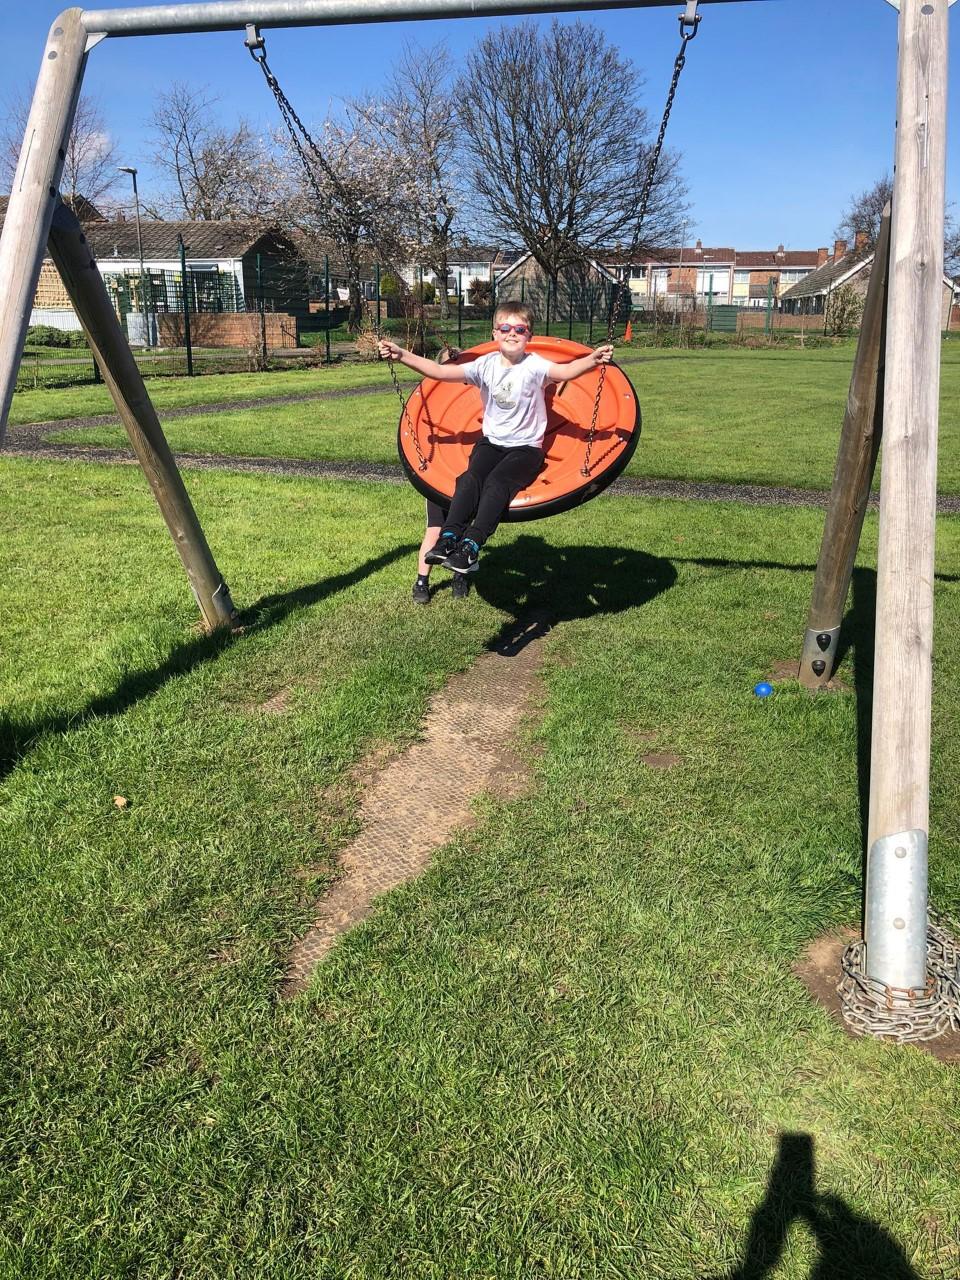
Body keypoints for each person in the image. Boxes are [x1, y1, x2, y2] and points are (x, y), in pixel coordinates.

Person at [379, 302, 612, 576]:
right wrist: (402, 355)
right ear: (495, 333)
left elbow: (566, 372)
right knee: (469, 479)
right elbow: (440, 372)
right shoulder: (484, 365)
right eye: (505, 328)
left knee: (497, 483)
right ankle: (448, 538)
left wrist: (592, 360)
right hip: (491, 443)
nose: (512, 333)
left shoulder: (535, 366)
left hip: (525, 449)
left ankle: (471, 544)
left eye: (520, 329)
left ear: (529, 336)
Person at [412, 498, 471, 604]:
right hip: (439, 490)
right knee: (434, 531)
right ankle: (421, 583)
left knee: (462, 530)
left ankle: (459, 578)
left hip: (465, 491)